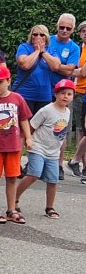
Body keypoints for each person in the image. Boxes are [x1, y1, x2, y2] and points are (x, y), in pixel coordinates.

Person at [0, 65, 33, 224]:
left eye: (0, 82)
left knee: (11, 178)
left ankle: (11, 210)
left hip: (13, 146)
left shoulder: (17, 99)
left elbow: (23, 119)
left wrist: (28, 138)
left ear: (8, 81)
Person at [15, 79, 74, 219]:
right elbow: (31, 126)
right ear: (56, 94)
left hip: (53, 151)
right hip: (38, 147)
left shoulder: (67, 112)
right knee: (33, 174)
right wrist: (28, 141)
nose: (65, 96)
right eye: (62, 93)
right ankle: (14, 198)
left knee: (53, 180)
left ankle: (50, 207)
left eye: (69, 94)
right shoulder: (46, 110)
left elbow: (62, 132)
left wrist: (60, 150)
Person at [48, 13, 80, 179]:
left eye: (68, 28)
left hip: (62, 92)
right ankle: (34, 162)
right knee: (38, 127)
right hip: (44, 88)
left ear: (73, 30)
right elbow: (63, 68)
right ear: (56, 26)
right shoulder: (48, 40)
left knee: (60, 129)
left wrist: (55, 65)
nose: (64, 30)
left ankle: (58, 164)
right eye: (62, 27)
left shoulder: (74, 47)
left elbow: (71, 69)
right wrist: (63, 67)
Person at [13, 25, 59, 114]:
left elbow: (56, 66)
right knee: (25, 126)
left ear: (46, 37)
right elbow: (25, 64)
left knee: (42, 126)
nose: (38, 37)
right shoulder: (24, 47)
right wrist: (37, 51)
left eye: (42, 35)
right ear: (31, 36)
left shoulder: (51, 50)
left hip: (44, 97)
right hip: (24, 96)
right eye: (35, 34)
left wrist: (43, 52)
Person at [66, 20, 86, 177]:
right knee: (81, 129)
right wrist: (78, 71)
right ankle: (79, 163)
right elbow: (69, 70)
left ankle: (76, 161)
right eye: (83, 31)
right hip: (80, 91)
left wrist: (78, 71)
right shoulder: (78, 49)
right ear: (79, 34)